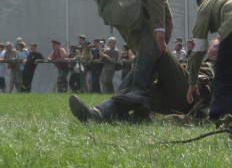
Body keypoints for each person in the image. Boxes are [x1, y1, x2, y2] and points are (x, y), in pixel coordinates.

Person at [69, 39, 220, 123]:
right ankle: (96, 115)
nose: (217, 49)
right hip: (168, 97)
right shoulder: (196, 61)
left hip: (194, 96)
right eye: (214, 46)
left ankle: (129, 111)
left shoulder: (228, 69)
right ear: (207, 48)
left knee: (155, 44)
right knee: (139, 82)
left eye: (221, 47)